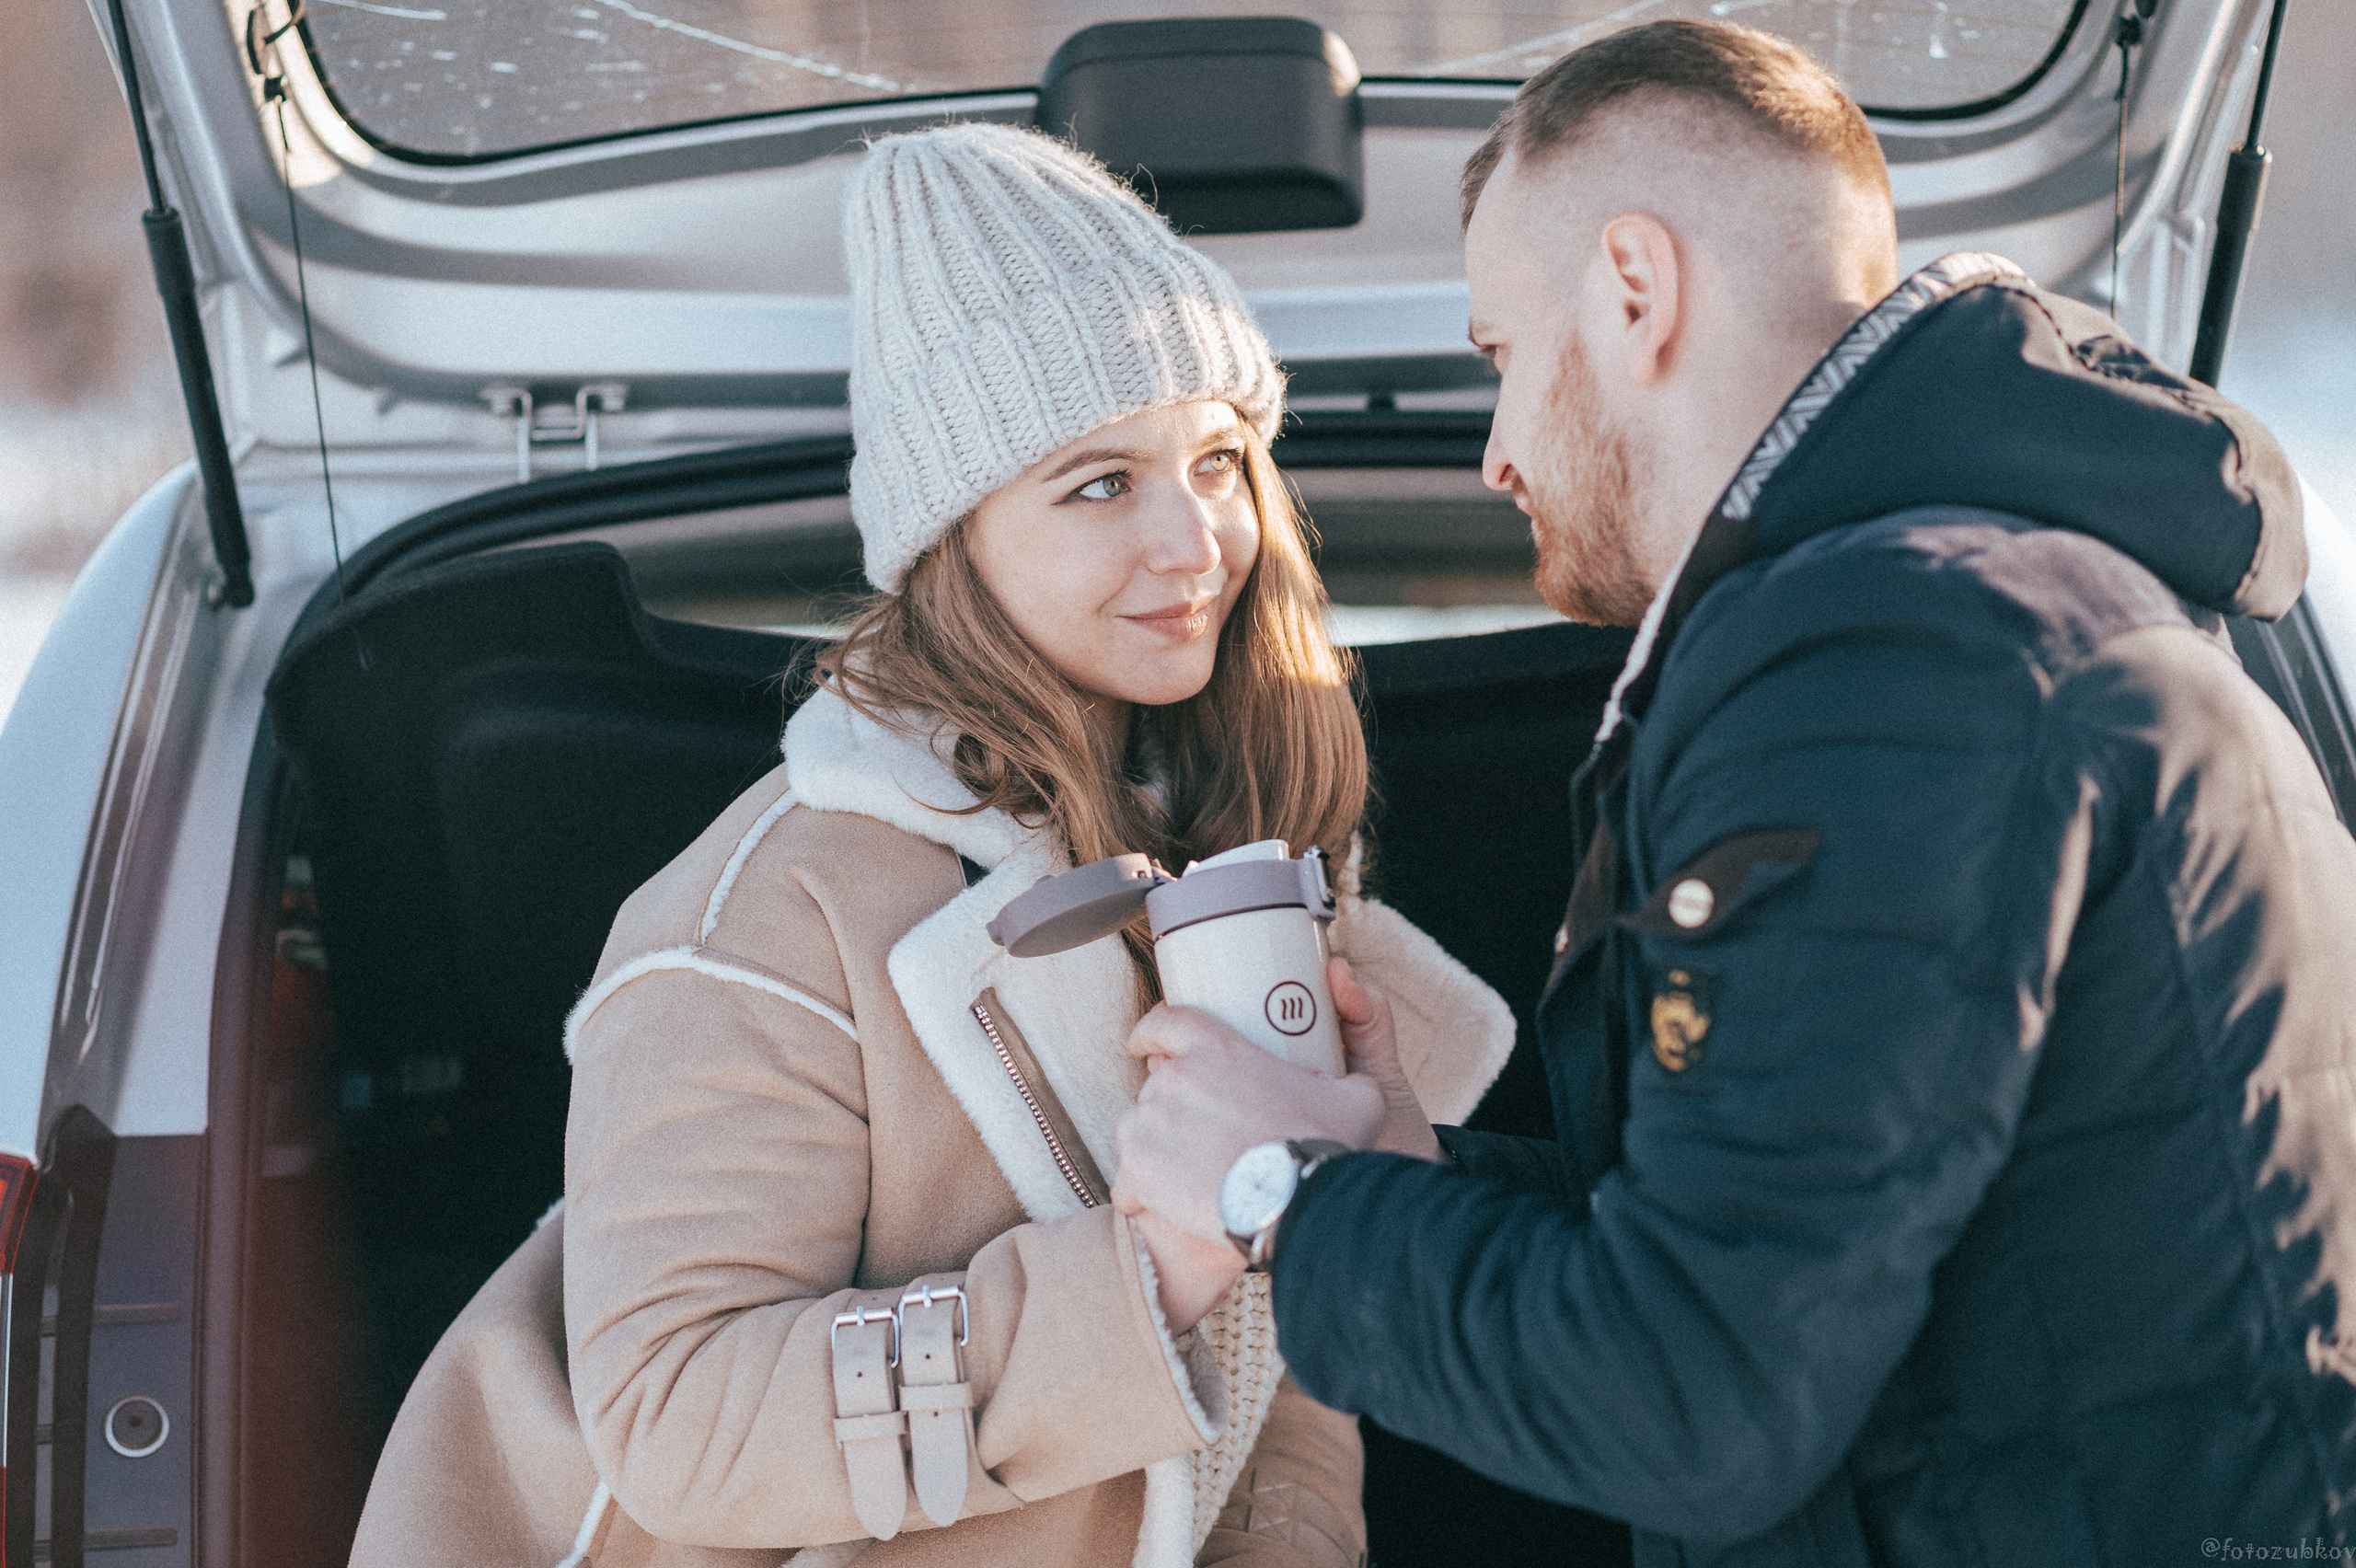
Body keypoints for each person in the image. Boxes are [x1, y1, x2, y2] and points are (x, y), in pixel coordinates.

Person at [1113, 19, 2356, 1564]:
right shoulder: (2042, 609)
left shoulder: (1886, 665)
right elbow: (1805, 1255)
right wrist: (1396, 1172)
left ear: (1635, 290)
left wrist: (1279, 1194)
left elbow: (1690, 1399)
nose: (1497, 452)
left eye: (1501, 356)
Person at [345, 123, 1515, 1568]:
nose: (1195, 541)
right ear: (951, 536)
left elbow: (1283, 1373)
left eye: (1219, 459)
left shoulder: (1244, 861)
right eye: (1098, 482)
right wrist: (1146, 1271)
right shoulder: (762, 919)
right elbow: (675, 1417)